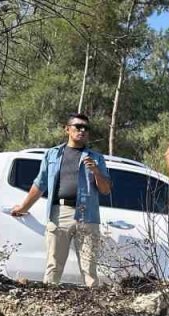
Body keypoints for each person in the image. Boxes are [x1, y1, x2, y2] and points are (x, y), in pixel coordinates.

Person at [9, 113, 112, 286]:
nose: (82, 130)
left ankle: (95, 307)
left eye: (86, 128)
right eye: (78, 126)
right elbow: (40, 184)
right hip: (60, 213)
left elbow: (105, 190)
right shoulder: (52, 155)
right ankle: (48, 304)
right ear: (67, 129)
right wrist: (23, 207)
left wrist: (96, 172)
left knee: (89, 269)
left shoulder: (96, 158)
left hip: (88, 216)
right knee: (53, 266)